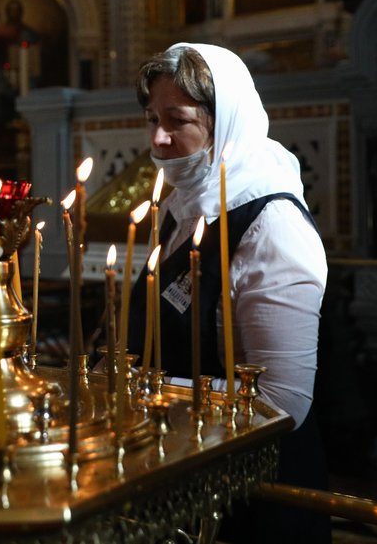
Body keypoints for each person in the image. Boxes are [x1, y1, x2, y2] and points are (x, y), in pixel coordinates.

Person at [127, 43, 331, 543]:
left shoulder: (271, 224)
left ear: (226, 121)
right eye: (152, 118)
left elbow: (283, 402)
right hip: (187, 477)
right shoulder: (182, 209)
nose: (158, 138)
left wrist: (145, 395)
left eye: (177, 120)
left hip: (258, 493)